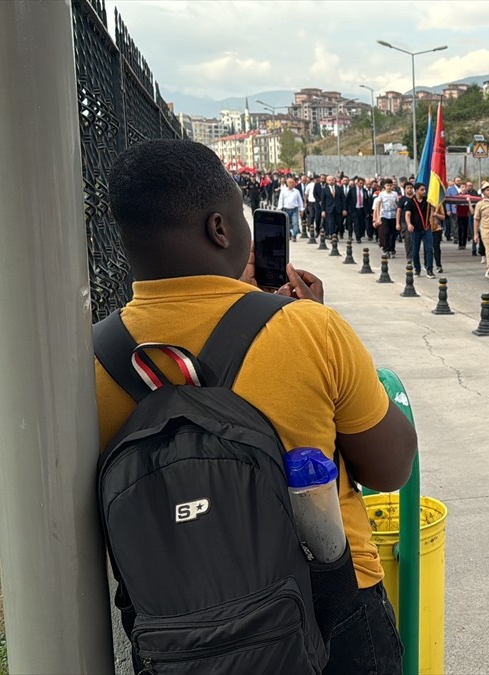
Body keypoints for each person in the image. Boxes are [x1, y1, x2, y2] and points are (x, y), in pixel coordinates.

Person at [98, 139, 416, 673]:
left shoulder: (94, 358)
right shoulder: (310, 329)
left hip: (179, 630)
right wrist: (310, 324)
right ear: (220, 229)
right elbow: (392, 467)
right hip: (329, 612)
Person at [405, 182, 435, 278]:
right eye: (422, 190)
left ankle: (429, 270)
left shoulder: (428, 201)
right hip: (416, 230)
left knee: (429, 249)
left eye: (425, 189)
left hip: (427, 229)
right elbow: (407, 214)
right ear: (416, 190)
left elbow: (433, 210)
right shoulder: (411, 202)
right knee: (415, 250)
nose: (424, 191)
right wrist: (409, 224)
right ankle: (417, 269)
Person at [373, 179, 399, 258]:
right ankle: (386, 248)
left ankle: (392, 249)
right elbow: (378, 205)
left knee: (393, 234)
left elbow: (397, 204)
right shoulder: (382, 194)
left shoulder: (395, 194)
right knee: (386, 232)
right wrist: (378, 217)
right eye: (387, 185)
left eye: (390, 185)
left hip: (393, 215)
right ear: (385, 186)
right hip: (384, 215)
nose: (389, 187)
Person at [278, 176, 305, 242]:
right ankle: (288, 234)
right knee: (286, 223)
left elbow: (300, 201)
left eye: (293, 182)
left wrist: (302, 210)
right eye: (290, 182)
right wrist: (279, 209)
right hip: (285, 209)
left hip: (294, 210)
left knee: (295, 223)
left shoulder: (297, 191)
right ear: (287, 183)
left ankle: (294, 235)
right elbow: (281, 200)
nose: (292, 184)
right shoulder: (283, 191)